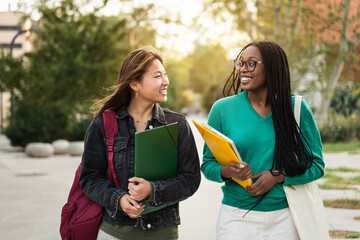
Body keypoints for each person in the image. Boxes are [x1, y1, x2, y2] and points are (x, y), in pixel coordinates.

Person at [201, 41, 325, 240]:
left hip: (287, 218)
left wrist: (278, 176)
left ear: (272, 67)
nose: (242, 69)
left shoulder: (297, 109)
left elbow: (317, 166)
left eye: (251, 64)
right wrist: (228, 171)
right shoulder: (222, 109)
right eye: (240, 63)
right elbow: (208, 165)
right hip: (236, 218)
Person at [80, 48, 201, 240]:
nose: (166, 82)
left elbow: (191, 179)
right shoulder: (103, 124)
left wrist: (153, 191)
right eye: (157, 76)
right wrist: (118, 199)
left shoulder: (177, 125)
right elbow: (90, 178)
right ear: (135, 84)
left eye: (165, 74)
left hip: (162, 234)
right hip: (114, 232)